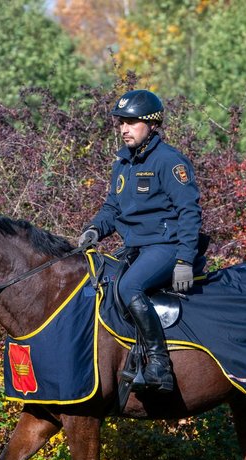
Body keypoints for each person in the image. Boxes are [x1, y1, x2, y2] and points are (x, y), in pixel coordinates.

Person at [78, 89, 203, 392]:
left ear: (151, 124)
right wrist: (94, 230)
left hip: (167, 246)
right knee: (94, 286)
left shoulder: (169, 161)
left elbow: (189, 213)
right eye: (121, 122)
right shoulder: (123, 163)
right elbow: (112, 208)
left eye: (131, 122)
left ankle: (160, 366)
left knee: (129, 287)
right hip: (135, 248)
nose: (124, 129)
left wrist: (185, 260)